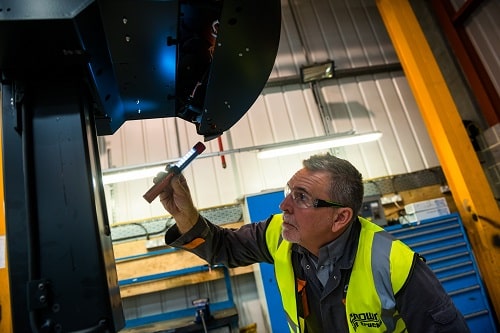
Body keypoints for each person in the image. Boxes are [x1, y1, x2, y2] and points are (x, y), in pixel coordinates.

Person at [158, 153, 470, 332]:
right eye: (289, 192)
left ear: (340, 218)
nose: (284, 207)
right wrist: (185, 213)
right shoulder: (278, 232)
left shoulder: (392, 264)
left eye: (302, 198)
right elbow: (223, 247)